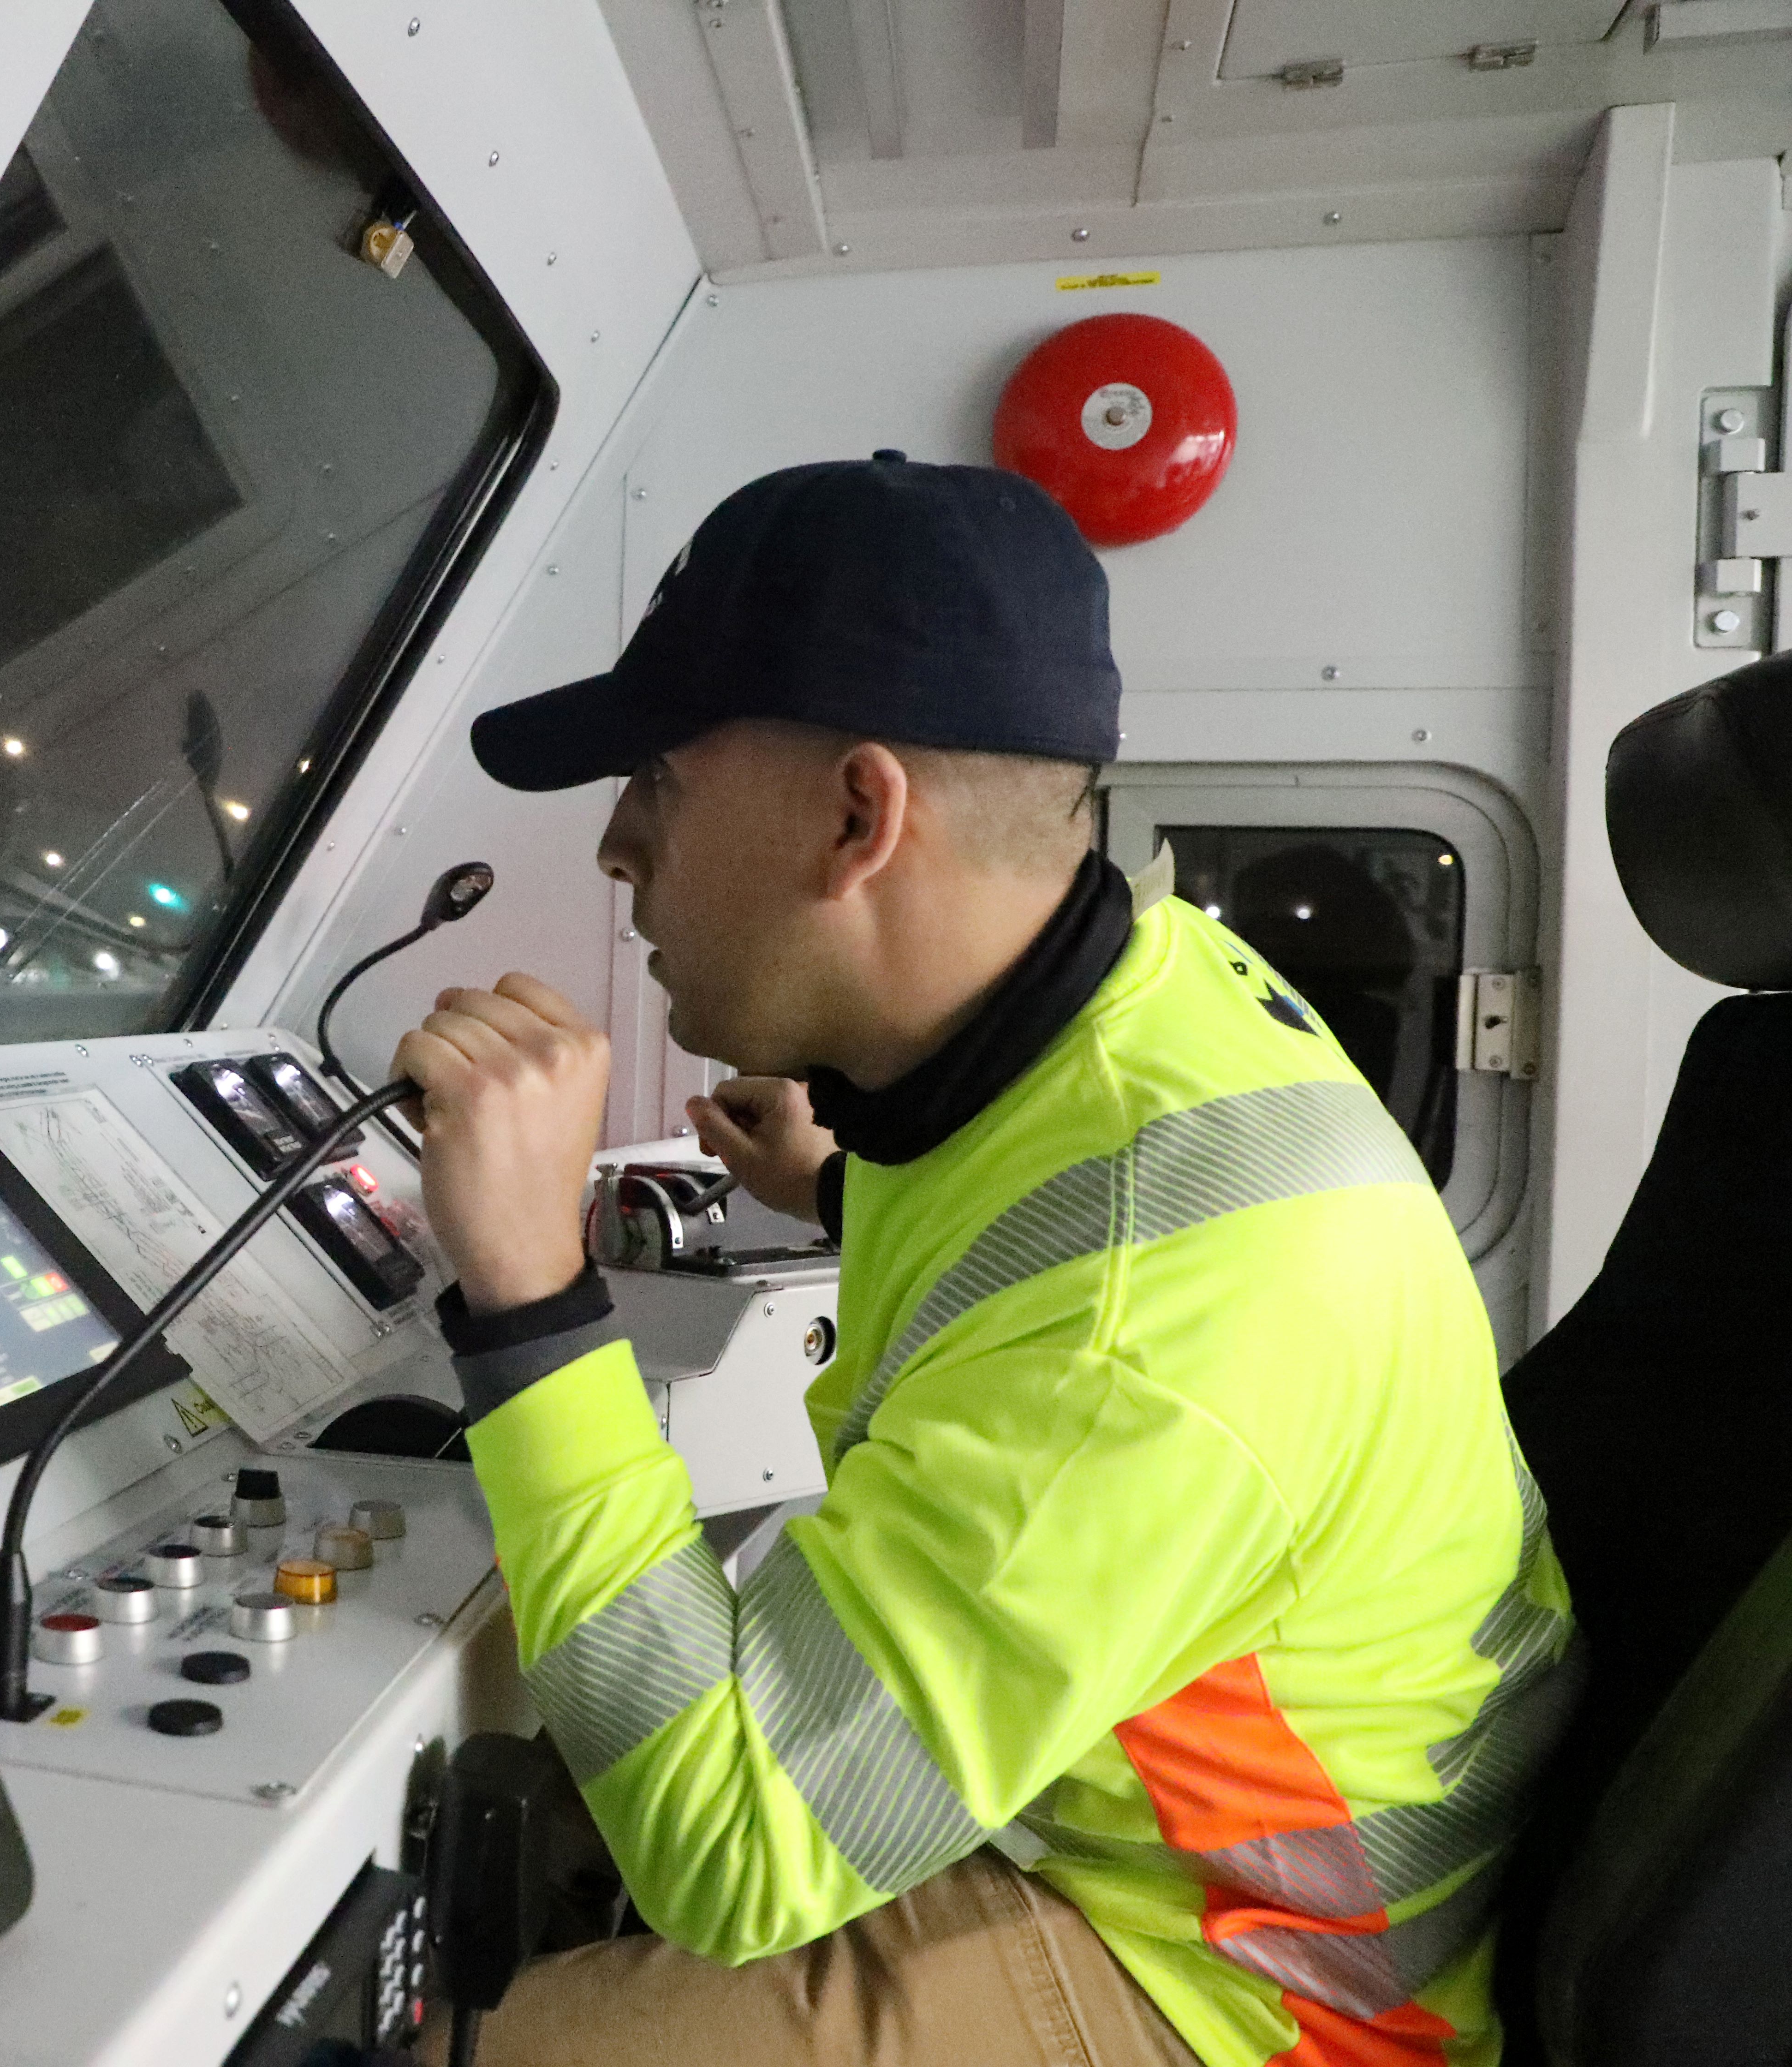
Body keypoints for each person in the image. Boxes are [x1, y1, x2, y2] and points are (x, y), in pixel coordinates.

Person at [393, 453, 1572, 2067]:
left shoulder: (1145, 1328)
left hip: (1258, 1993)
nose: (616, 844)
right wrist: (842, 1193)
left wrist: (531, 1293)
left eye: (658, 779)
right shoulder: (1151, 1000)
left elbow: (736, 1848)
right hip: (1140, 1848)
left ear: (859, 815)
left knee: (467, 2040)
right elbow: (1067, 1236)